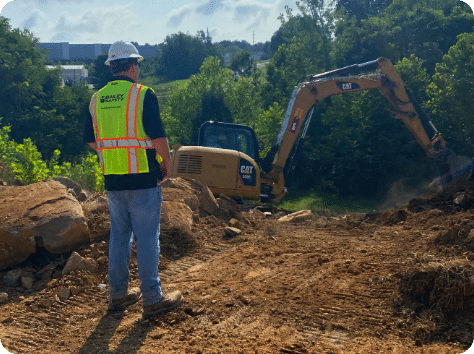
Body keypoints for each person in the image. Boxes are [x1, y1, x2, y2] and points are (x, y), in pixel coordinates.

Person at [83, 41, 182, 319]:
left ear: (112, 67)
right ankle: (152, 299)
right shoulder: (142, 95)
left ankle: (118, 295)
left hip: (114, 181)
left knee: (119, 237)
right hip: (143, 179)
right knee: (148, 238)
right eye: (137, 64)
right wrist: (166, 162)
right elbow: (158, 137)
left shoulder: (96, 99)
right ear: (133, 66)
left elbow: (91, 140)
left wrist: (113, 152)